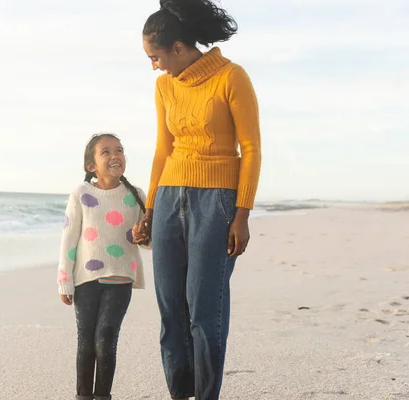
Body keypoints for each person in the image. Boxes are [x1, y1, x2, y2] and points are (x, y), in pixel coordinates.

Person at [134, 0, 262, 399]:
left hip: (217, 202)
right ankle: (179, 393)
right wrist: (150, 210)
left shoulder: (231, 76)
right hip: (170, 198)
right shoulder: (163, 86)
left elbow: (251, 149)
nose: (153, 65)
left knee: (204, 310)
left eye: (155, 56)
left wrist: (242, 215)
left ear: (178, 47)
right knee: (172, 310)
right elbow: (162, 149)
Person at [57, 133, 148, 400]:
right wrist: (64, 280)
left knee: (105, 340)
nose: (114, 155)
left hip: (120, 276)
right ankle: (83, 396)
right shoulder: (81, 194)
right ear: (91, 166)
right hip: (85, 278)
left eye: (119, 150)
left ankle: (103, 396)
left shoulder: (136, 195)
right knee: (86, 343)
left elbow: (148, 241)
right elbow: (69, 238)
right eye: (105, 152)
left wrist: (142, 236)